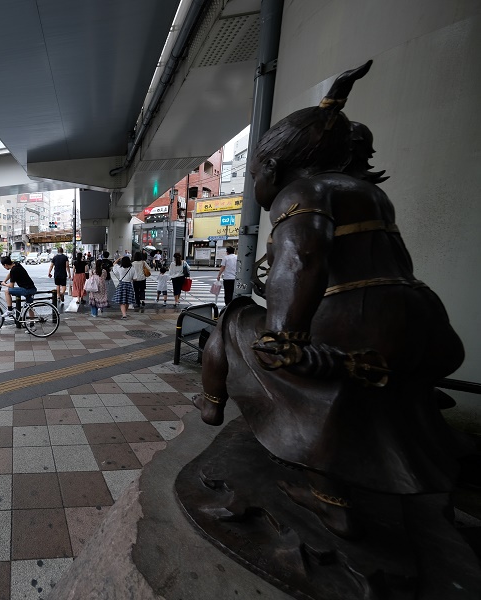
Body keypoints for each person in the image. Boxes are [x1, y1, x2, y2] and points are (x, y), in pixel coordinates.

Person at [196, 61, 472, 539]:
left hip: (358, 327)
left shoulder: (302, 193)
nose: (256, 184)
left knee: (237, 324)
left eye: (256, 172)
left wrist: (284, 336)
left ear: (273, 168)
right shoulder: (369, 194)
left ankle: (220, 410)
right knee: (364, 379)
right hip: (423, 322)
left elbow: (301, 263)